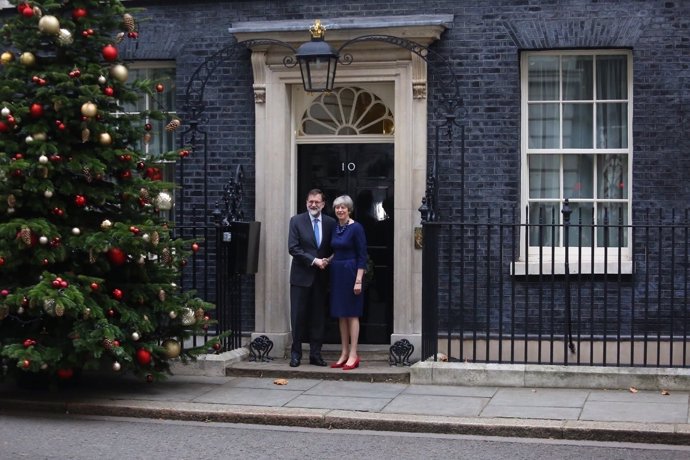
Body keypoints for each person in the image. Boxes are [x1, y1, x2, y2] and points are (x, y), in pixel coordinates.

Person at [288, 189, 335, 367]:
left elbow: (335, 246)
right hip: (301, 278)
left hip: (322, 278)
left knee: (318, 317)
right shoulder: (296, 221)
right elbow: (293, 248)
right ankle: (296, 354)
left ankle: (316, 354)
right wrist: (314, 261)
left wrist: (328, 260)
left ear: (323, 204)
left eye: (317, 202)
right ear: (306, 202)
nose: (313, 205)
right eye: (310, 201)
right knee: (298, 317)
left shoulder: (330, 223)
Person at [328, 195, 368, 370]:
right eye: (337, 207)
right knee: (341, 314)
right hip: (337, 272)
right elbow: (337, 251)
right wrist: (327, 260)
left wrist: (358, 280)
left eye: (343, 207)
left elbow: (362, 255)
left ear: (349, 209)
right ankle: (344, 353)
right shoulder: (336, 228)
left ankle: (353, 354)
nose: (340, 210)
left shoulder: (357, 228)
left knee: (352, 314)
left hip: (351, 272)